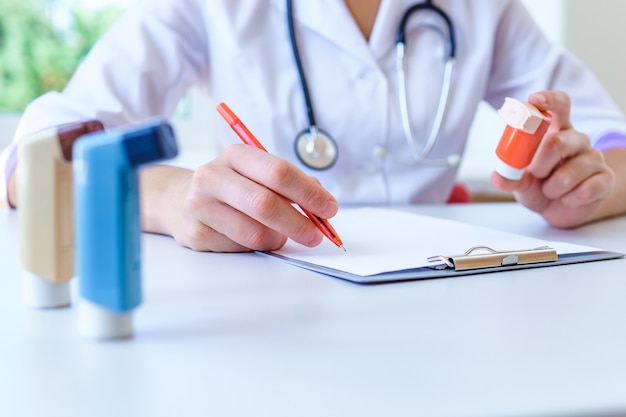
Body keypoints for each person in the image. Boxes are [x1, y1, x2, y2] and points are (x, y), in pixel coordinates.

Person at [2, 0, 626, 253]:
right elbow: (29, 165)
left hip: (440, 303)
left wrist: (586, 185)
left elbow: (610, 143)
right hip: (267, 310)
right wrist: (166, 196)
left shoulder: (483, 8)